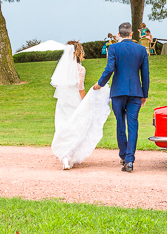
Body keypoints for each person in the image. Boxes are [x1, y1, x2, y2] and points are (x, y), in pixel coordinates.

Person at [93, 22, 149, 172]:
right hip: (136, 92)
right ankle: (130, 160)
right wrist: (145, 94)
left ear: (118, 35)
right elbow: (145, 74)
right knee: (133, 125)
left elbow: (110, 68)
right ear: (131, 34)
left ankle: (123, 156)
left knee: (120, 124)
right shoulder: (141, 49)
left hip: (118, 92)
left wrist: (100, 83)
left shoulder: (113, 48)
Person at [50, 41, 111, 170]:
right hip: (75, 101)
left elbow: (56, 84)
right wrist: (85, 102)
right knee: (75, 127)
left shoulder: (62, 67)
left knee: (63, 126)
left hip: (62, 102)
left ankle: (64, 157)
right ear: (78, 52)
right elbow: (80, 88)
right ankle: (69, 155)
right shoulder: (80, 69)